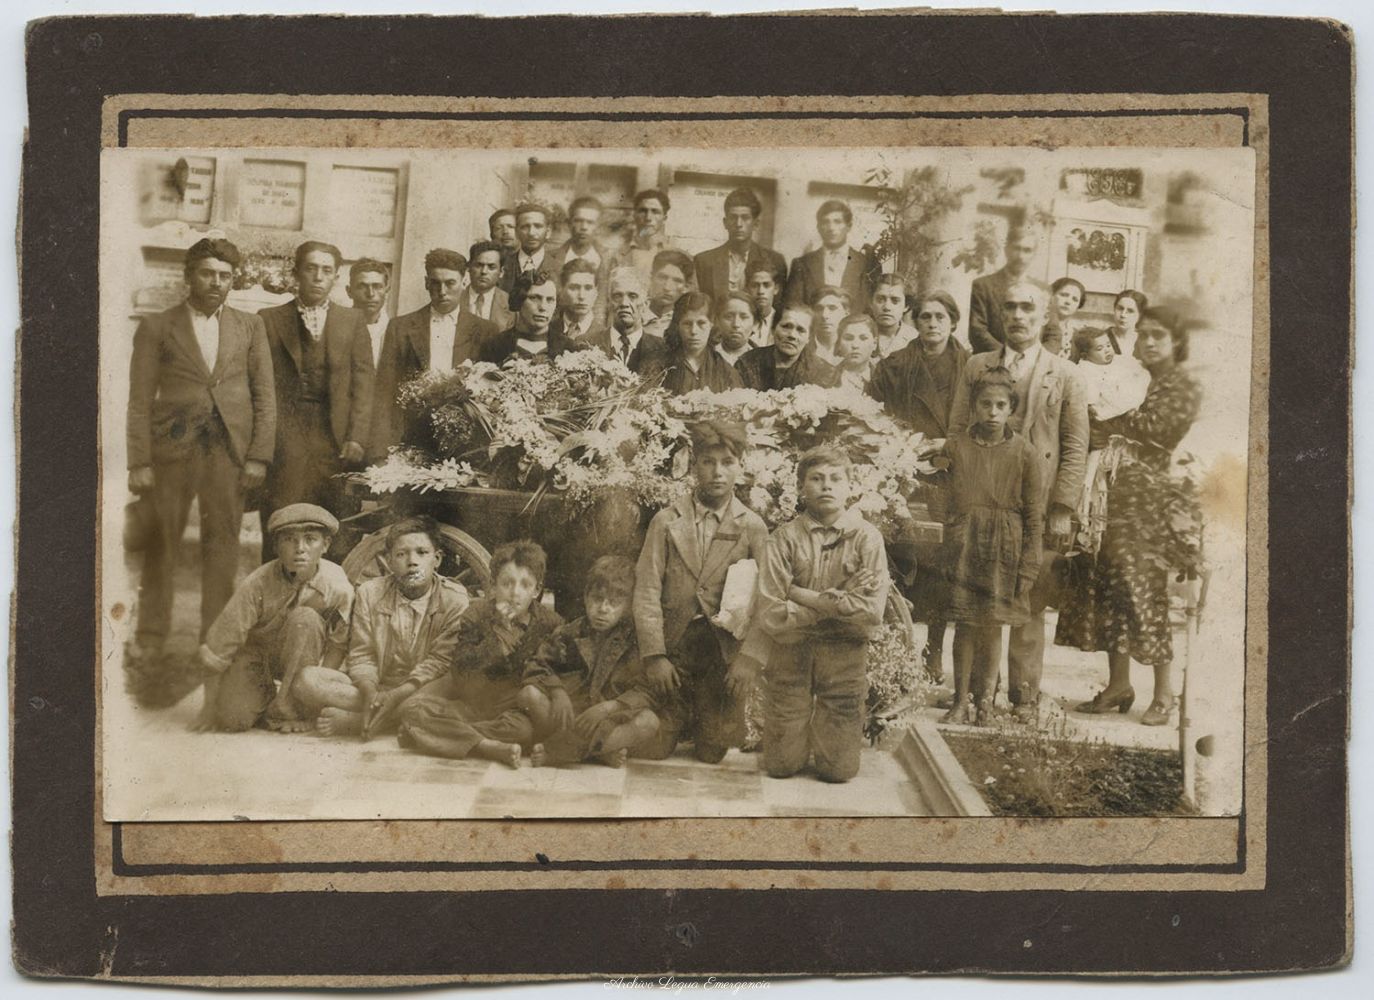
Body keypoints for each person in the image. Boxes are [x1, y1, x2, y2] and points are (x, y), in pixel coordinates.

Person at [127, 237, 276, 657]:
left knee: (223, 547)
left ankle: (214, 638)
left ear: (233, 280)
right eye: (207, 274)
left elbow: (265, 397)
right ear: (189, 276)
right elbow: (139, 400)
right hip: (172, 451)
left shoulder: (250, 326)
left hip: (227, 452)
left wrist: (258, 456)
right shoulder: (158, 326)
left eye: (224, 276)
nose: (216, 282)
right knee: (162, 543)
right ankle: (151, 637)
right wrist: (139, 461)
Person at [1056, 309, 1203, 727]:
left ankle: (1164, 693)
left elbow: (1156, 430)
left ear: (1177, 342)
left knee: (1143, 590)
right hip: (1113, 497)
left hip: (1150, 502)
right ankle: (1118, 684)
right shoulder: (1137, 375)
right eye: (1146, 335)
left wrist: (1107, 419)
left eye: (1160, 336)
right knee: (1109, 585)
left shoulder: (1181, 385)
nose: (1150, 342)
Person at [950, 280, 1087, 721]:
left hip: (1036, 504)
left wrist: (1062, 507)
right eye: (1009, 307)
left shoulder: (1065, 374)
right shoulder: (977, 365)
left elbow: (1075, 445)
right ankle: (978, 696)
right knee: (983, 599)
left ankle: (1023, 696)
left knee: (1029, 598)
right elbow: (957, 430)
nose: (1017, 316)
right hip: (985, 503)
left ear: (1045, 315)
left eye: (1027, 307)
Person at [744, 445, 890, 782]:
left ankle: (828, 737)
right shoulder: (783, 539)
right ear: (800, 487)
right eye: (817, 478)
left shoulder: (867, 539)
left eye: (836, 479)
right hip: (792, 649)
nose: (827, 486)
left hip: (845, 651)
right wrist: (834, 601)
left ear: (850, 487)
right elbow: (771, 613)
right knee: (781, 765)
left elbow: (871, 611)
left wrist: (798, 594)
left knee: (839, 771)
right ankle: (796, 736)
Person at [634, 420, 769, 762]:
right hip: (674, 646)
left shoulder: (752, 527)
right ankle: (675, 718)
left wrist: (749, 659)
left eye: (727, 462)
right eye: (708, 462)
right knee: (655, 747)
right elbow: (647, 588)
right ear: (693, 465)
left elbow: (768, 598)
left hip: (720, 653)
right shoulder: (666, 521)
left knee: (712, 752)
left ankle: (705, 720)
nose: (717, 472)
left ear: (740, 467)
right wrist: (654, 655)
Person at [867, 289, 970, 681]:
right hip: (903, 473)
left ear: (953, 322)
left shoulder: (969, 367)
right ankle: (896, 652)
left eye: (940, 317)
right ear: (915, 322)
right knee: (901, 559)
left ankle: (934, 652)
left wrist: (949, 444)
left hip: (951, 475)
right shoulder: (894, 365)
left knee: (942, 568)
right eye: (925, 317)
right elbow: (874, 414)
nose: (932, 324)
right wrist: (902, 444)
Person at [294, 515, 470, 739]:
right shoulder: (370, 593)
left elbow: (439, 662)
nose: (412, 561)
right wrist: (370, 693)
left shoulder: (455, 599)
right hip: (378, 687)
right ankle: (384, 715)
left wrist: (398, 695)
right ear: (389, 561)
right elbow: (362, 654)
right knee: (306, 680)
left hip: (421, 688)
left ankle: (358, 722)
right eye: (401, 554)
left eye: (422, 553)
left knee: (447, 689)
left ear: (436, 559)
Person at [397, 540, 563, 767]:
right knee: (412, 710)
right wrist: (495, 647)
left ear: (536, 590)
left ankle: (440, 737)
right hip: (473, 705)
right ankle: (487, 746)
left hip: (512, 711)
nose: (515, 593)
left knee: (522, 731)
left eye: (525, 585)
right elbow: (460, 669)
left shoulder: (550, 624)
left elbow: (551, 672)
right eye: (507, 583)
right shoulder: (477, 614)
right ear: (493, 586)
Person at [939, 369, 1044, 725]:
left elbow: (1034, 515)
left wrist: (1029, 563)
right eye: (986, 404)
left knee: (992, 626)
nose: (993, 412)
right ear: (974, 406)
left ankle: (985, 703)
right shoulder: (956, 447)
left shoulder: (1025, 453)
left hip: (1005, 548)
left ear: (1011, 408)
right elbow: (943, 496)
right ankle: (960, 702)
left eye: (1001, 405)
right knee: (965, 625)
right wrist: (952, 532)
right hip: (966, 544)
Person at [258, 241, 373, 559]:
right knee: (282, 517)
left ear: (336, 277)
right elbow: (259, 385)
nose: (318, 277)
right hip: (286, 438)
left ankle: (331, 587)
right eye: (310, 268)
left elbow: (364, 384)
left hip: (334, 439)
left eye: (326, 270)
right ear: (296, 273)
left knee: (335, 523)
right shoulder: (269, 319)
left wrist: (357, 436)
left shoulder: (352, 320)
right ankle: (276, 586)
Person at [192, 503, 352, 733]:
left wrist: (318, 691)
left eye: (310, 539)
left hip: (304, 658)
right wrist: (208, 707)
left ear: (325, 545)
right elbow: (220, 645)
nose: (300, 549)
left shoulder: (337, 584)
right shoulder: (257, 583)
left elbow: (338, 643)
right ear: (276, 546)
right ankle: (264, 695)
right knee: (232, 719)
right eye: (289, 540)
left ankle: (293, 708)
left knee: (305, 618)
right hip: (259, 657)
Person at [519, 555, 661, 767]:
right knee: (528, 694)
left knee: (649, 721)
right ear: (586, 597)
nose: (603, 608)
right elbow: (537, 665)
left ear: (627, 606)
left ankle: (561, 753)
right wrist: (557, 692)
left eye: (614, 603)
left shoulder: (634, 642)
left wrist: (608, 708)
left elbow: (646, 690)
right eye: (597, 599)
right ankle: (601, 751)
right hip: (571, 715)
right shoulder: (569, 633)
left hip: (609, 718)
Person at [371, 249, 497, 458]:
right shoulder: (400, 327)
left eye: (450, 283)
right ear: (426, 283)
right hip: (412, 435)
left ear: (464, 282)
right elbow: (385, 391)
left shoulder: (485, 331)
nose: (442, 291)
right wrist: (383, 448)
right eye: (435, 283)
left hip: (468, 442)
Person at [693, 187, 787, 304]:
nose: (738, 224)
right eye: (733, 217)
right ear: (725, 223)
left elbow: (777, 307)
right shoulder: (704, 261)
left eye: (745, 218)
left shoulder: (774, 260)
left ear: (756, 224)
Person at [642, 291, 744, 395]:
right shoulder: (657, 365)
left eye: (701, 323)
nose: (694, 331)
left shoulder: (726, 372)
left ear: (711, 325)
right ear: (678, 326)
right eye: (687, 324)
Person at [967, 225, 1048, 353]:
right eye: (1016, 248)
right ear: (1006, 250)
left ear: (1034, 254)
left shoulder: (1043, 289)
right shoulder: (983, 286)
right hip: (993, 359)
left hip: (1034, 363)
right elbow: (977, 331)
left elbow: (1053, 334)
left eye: (1027, 250)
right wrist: (1007, 356)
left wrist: (1038, 358)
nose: (1020, 256)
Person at [785, 199, 874, 312]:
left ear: (849, 226)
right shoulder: (802, 264)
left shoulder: (864, 263)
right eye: (825, 222)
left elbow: (869, 308)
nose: (831, 228)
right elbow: (793, 306)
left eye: (837, 222)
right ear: (818, 227)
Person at [478, 269, 582, 364]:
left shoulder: (570, 349)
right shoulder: (493, 347)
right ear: (519, 300)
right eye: (534, 298)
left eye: (550, 300)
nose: (543, 307)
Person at [587, 266, 669, 375]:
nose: (624, 303)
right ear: (609, 303)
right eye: (617, 296)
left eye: (632, 296)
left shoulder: (663, 350)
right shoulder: (586, 344)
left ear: (645, 304)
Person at [736, 305, 840, 391]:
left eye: (801, 330)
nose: (792, 335)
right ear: (773, 329)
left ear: (809, 338)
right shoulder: (747, 363)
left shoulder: (826, 373)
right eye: (786, 326)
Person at [545, 195, 611, 300]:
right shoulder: (549, 258)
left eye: (590, 222)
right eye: (578, 221)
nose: (584, 227)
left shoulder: (609, 260)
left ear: (598, 227)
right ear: (569, 223)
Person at [611, 188, 674, 283]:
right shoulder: (617, 254)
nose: (648, 218)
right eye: (643, 211)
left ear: (664, 218)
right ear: (634, 215)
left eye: (655, 212)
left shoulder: (675, 254)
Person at [499, 203, 560, 294]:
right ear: (516, 232)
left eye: (538, 226)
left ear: (548, 232)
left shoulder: (560, 269)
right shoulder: (502, 265)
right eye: (525, 227)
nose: (531, 233)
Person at [346, 257, 392, 369]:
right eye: (362, 287)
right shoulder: (337, 327)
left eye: (377, 286)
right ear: (349, 291)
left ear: (387, 290)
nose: (370, 294)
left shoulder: (396, 331)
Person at [642, 249, 695, 340]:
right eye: (662, 278)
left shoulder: (687, 323)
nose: (667, 287)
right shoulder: (634, 313)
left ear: (686, 287)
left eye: (677, 281)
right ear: (651, 278)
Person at [548, 257, 603, 342]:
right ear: (561, 290)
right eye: (574, 288)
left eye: (588, 288)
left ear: (596, 292)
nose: (581, 296)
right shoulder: (546, 331)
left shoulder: (605, 335)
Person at [460, 240, 513, 328]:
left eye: (491, 267)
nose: (484, 271)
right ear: (469, 267)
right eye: (478, 265)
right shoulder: (455, 300)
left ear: (501, 272)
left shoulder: (510, 303)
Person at [868, 273, 918, 358]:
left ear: (906, 306)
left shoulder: (914, 339)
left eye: (895, 301)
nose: (887, 307)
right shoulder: (857, 333)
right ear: (871, 303)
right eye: (880, 300)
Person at [833, 314, 879, 392]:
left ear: (874, 343)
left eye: (863, 338)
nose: (855, 345)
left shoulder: (885, 378)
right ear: (839, 344)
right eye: (848, 338)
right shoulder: (827, 379)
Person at [1042, 276, 1086, 357]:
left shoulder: (1076, 335)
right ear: (1051, 296)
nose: (1068, 302)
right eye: (1064, 295)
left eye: (1075, 299)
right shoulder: (1040, 324)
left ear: (1078, 306)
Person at [808, 285, 852, 365]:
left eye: (832, 308)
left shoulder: (852, 349)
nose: (824, 315)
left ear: (846, 313)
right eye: (819, 308)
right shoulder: (803, 348)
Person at [745, 265, 783, 347]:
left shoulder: (782, 321)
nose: (760, 291)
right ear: (747, 289)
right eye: (755, 286)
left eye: (766, 285)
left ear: (776, 289)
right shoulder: (740, 321)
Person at [715, 291, 755, 367]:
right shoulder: (706, 358)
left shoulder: (762, 360)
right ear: (718, 321)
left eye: (744, 317)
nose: (736, 324)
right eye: (729, 317)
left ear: (754, 322)